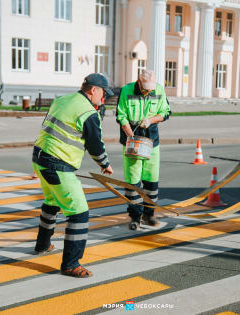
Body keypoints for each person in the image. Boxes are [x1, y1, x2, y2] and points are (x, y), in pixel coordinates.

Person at [32, 73, 114, 278]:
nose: (103, 99)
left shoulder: (63, 100)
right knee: (79, 213)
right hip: (57, 164)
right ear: (93, 90)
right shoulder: (88, 112)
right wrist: (105, 164)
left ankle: (42, 245)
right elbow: (95, 145)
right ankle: (70, 264)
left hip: (39, 157)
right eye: (103, 94)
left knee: (52, 201)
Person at [116, 70, 171, 230]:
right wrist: (130, 134)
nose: (148, 92)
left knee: (151, 180)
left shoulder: (159, 90)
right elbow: (121, 116)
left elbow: (166, 112)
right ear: (138, 83)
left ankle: (149, 215)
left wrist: (151, 120)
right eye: (145, 89)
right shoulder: (126, 90)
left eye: (150, 90)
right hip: (132, 140)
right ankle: (134, 217)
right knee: (133, 181)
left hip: (152, 141)